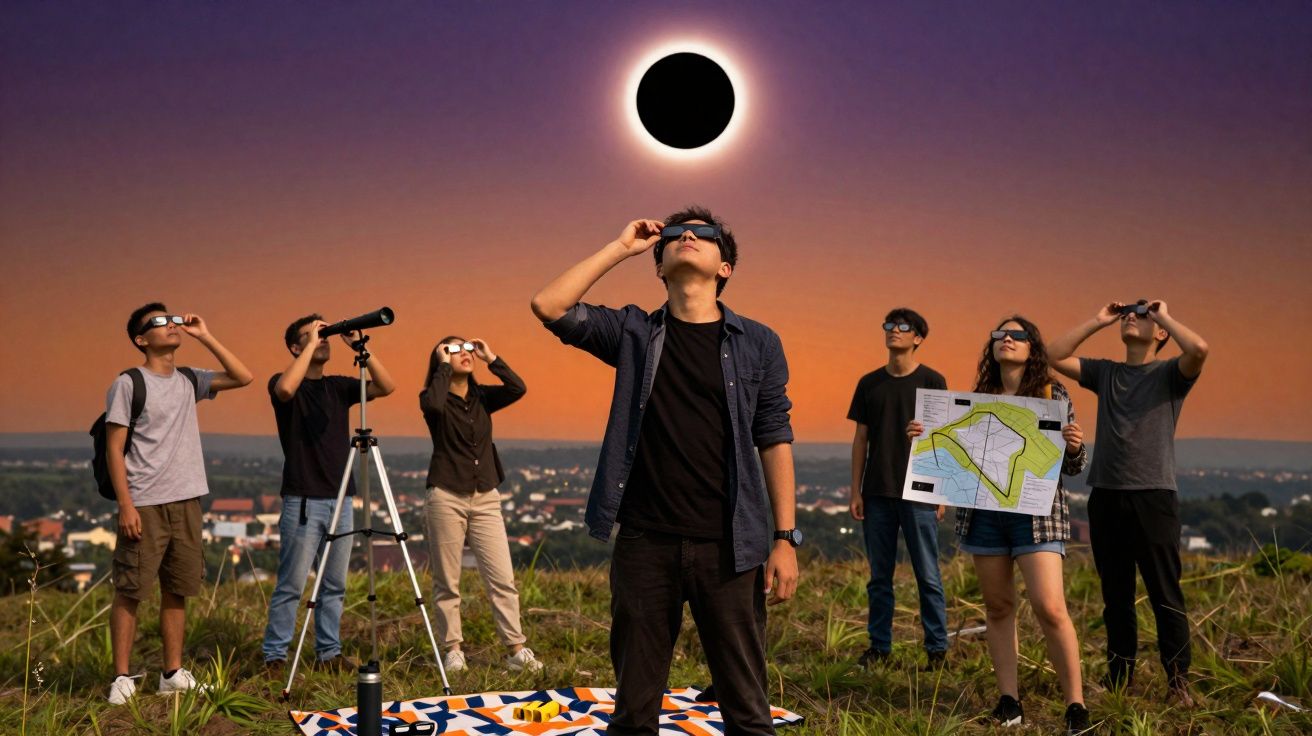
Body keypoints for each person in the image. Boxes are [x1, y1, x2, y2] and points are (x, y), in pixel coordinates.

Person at [531, 207, 800, 735]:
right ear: (658, 266)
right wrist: (619, 248)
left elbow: (774, 435)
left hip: (730, 544)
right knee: (634, 710)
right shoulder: (633, 332)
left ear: (725, 268)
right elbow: (549, 305)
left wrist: (785, 536)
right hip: (645, 543)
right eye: (676, 235)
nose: (689, 237)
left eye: (705, 235)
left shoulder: (759, 342)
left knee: (747, 707)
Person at [911, 316, 1090, 733]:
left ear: (1033, 347)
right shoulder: (978, 398)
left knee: (1050, 607)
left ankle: (1076, 706)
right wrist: (922, 437)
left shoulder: (1052, 393)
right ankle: (1009, 701)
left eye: (1018, 335)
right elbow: (948, 456)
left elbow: (1074, 468)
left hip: (1036, 518)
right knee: (998, 607)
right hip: (985, 516)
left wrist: (1076, 447)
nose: (1006, 339)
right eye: (999, 334)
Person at [1049, 300, 1208, 706]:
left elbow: (1199, 350)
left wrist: (1164, 314)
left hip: (1153, 495)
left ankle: (1178, 683)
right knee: (1115, 595)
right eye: (1128, 313)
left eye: (1141, 314)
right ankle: (1120, 680)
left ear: (1160, 334)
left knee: (1164, 592)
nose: (1131, 317)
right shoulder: (1107, 372)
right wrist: (1099, 320)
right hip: (1106, 494)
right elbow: (1053, 355)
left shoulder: (1170, 373)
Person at [105, 303, 253, 704]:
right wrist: (126, 504)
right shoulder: (129, 383)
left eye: (171, 319)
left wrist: (204, 335)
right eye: (158, 323)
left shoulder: (190, 379)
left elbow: (244, 376)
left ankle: (171, 673)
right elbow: (114, 448)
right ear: (141, 339)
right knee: (131, 588)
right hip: (146, 501)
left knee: (178, 588)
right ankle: (121, 677)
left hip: (187, 499)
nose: (170, 326)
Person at [261, 314, 396, 672]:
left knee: (333, 585)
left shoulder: (337, 387)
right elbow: (286, 390)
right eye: (313, 335)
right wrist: (309, 347)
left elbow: (386, 386)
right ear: (295, 346)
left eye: (325, 335)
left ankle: (328, 654)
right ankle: (274, 657)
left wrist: (360, 346)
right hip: (303, 500)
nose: (323, 340)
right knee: (291, 585)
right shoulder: (283, 382)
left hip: (340, 501)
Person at [419, 335, 540, 673]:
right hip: (445, 495)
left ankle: (516, 649)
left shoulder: (483, 397)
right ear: (441, 358)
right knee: (447, 579)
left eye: (467, 348)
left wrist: (492, 356)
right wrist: (442, 367)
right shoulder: (433, 396)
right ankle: (453, 649)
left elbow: (518, 388)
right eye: (454, 349)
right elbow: (434, 407)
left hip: (486, 494)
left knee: (502, 577)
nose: (464, 354)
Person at [848, 308, 950, 669]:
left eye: (903, 327)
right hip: (877, 492)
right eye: (889, 325)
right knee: (880, 577)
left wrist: (941, 493)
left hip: (920, 493)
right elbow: (861, 439)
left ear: (918, 337)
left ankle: (937, 651)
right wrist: (855, 490)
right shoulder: (869, 383)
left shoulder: (934, 381)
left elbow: (945, 439)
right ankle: (879, 648)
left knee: (928, 574)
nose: (893, 331)